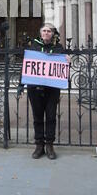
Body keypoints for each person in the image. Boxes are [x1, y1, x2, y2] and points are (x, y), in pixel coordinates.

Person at [23, 23, 65, 160]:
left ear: (53, 33)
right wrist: (20, 84)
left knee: (51, 117)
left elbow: (61, 67)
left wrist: (66, 60)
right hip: (34, 89)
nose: (46, 33)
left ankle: (49, 145)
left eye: (49, 31)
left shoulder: (59, 48)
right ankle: (39, 145)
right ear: (40, 33)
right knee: (37, 117)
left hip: (52, 89)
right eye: (44, 31)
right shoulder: (33, 46)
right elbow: (27, 64)